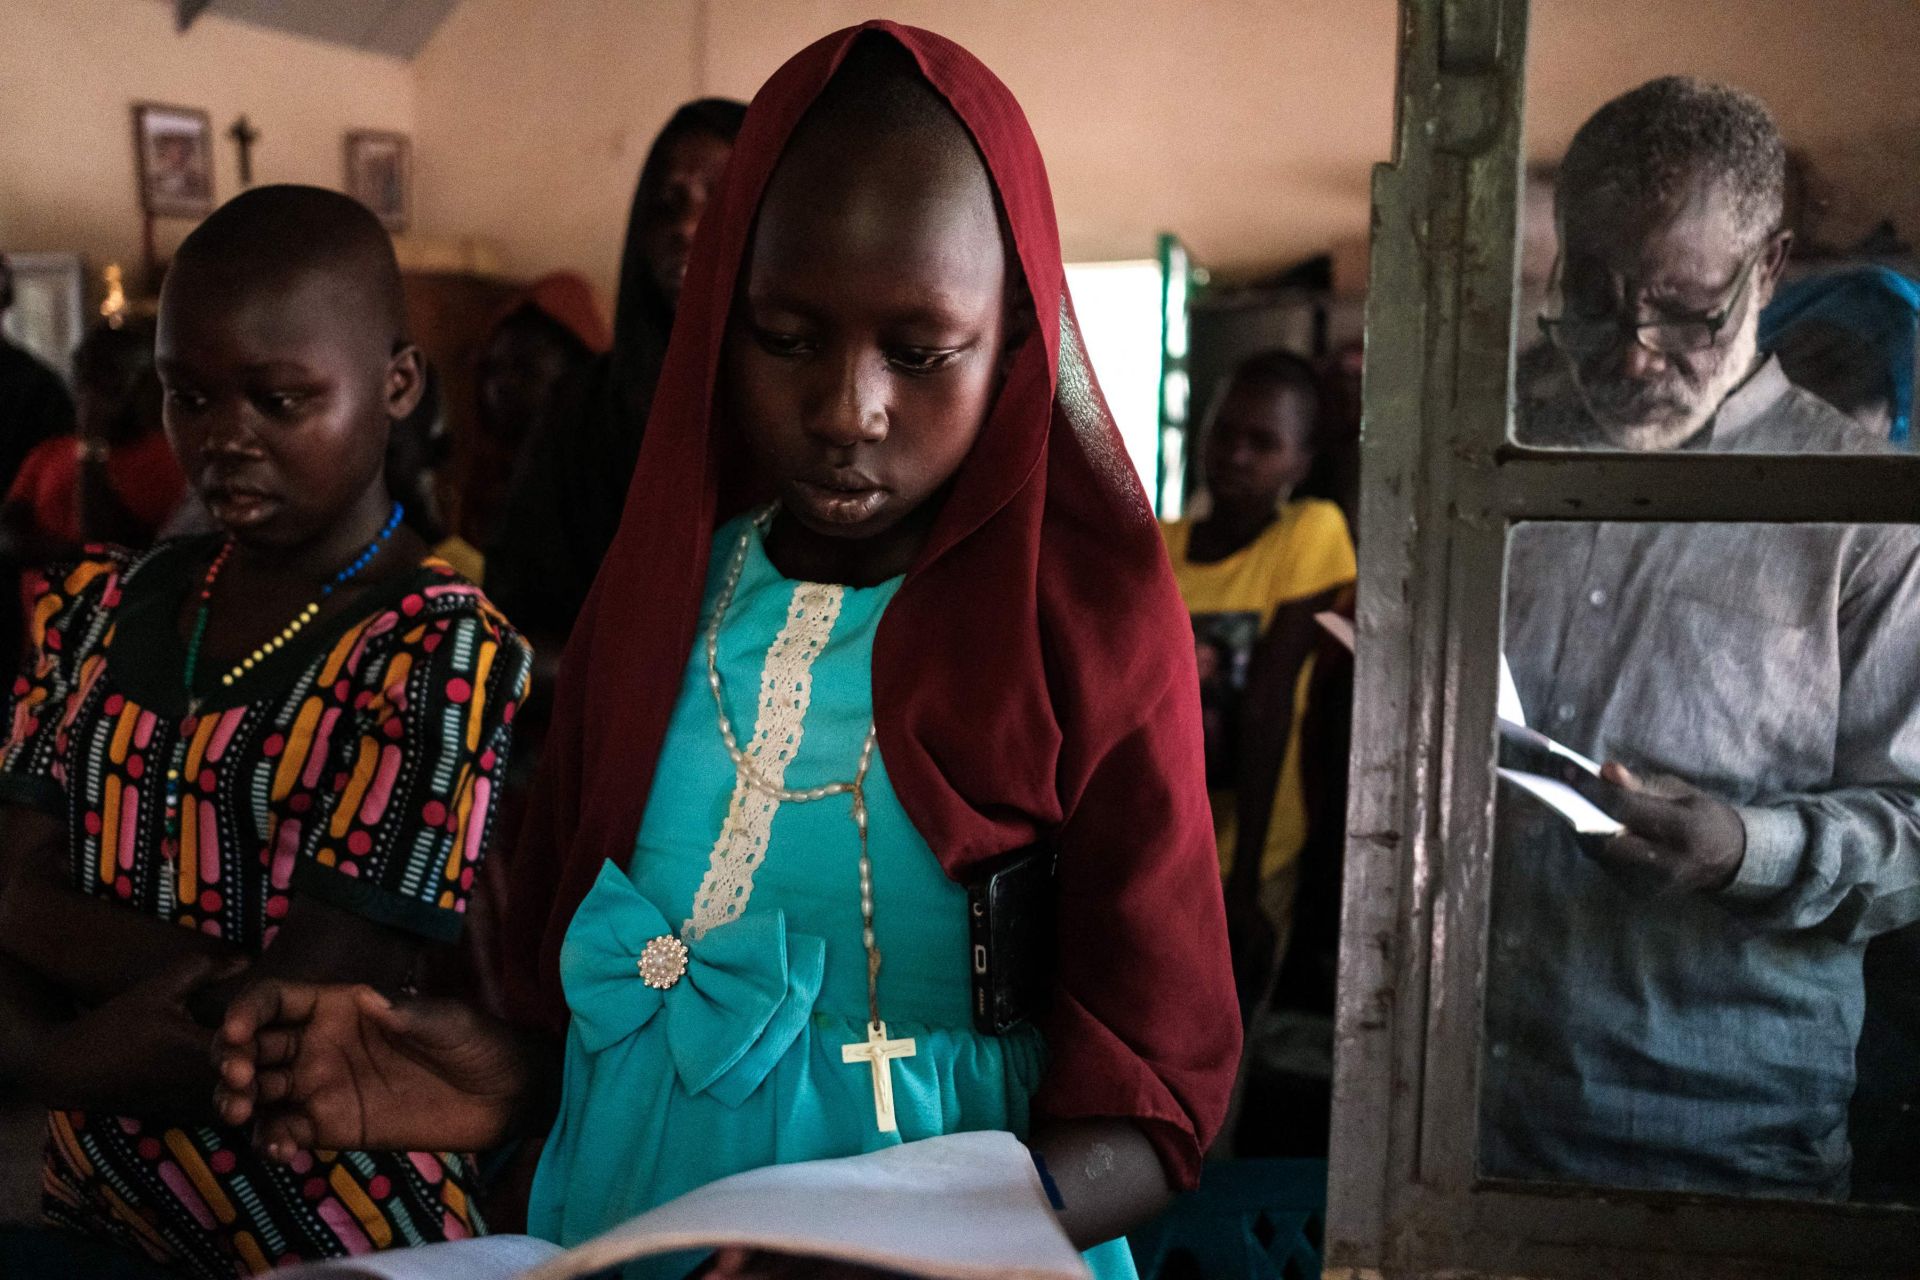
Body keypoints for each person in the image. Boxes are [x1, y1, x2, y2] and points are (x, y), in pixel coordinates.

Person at [215, 24, 1239, 1279]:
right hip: (616, 1227)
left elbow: (1160, 1108)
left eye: (919, 353)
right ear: (716, 320)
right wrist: (494, 1074)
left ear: (1015, 338)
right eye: (787, 336)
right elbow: (600, 1012)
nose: (846, 409)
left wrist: (877, 1245)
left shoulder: (1086, 627)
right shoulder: (662, 602)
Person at [0, 184, 533, 1277]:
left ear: (395, 384)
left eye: (279, 400)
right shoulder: (106, 602)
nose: (222, 441)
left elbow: (288, 1032)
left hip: (329, 1230)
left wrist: (43, 1040)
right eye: (188, 397)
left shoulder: (434, 650)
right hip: (95, 1203)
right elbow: (6, 882)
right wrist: (177, 977)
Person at [1484, 77, 1920, 1199]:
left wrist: (1740, 849)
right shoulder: (1501, 467)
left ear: (1769, 269)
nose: (1631, 352)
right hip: (1467, 1124)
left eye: (1686, 308)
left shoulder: (1873, 516)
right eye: (1592, 294)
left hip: (1720, 1162)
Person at [483, 98, 747, 641]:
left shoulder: (811, 410)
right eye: (667, 204)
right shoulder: (581, 406)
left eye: (719, 201)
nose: (686, 227)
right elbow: (515, 616)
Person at [1160, 350, 1355, 1024]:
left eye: (1263, 443)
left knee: (1217, 1055)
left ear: (1301, 463)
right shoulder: (1156, 545)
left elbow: (1270, 704)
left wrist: (1241, 890)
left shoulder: (1310, 533)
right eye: (1225, 433)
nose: (1236, 456)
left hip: (1254, 853)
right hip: (1153, 849)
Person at [3, 317, 185, 564]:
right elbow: (8, 531)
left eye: (106, 380)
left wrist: (93, 445)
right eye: (84, 378)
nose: (90, 394)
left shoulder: (166, 458)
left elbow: (105, 541)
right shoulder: (50, 451)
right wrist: (69, 557)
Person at [460, 273, 609, 551]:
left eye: (525, 370)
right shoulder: (484, 477)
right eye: (491, 370)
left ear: (580, 371)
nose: (500, 387)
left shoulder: (604, 478)